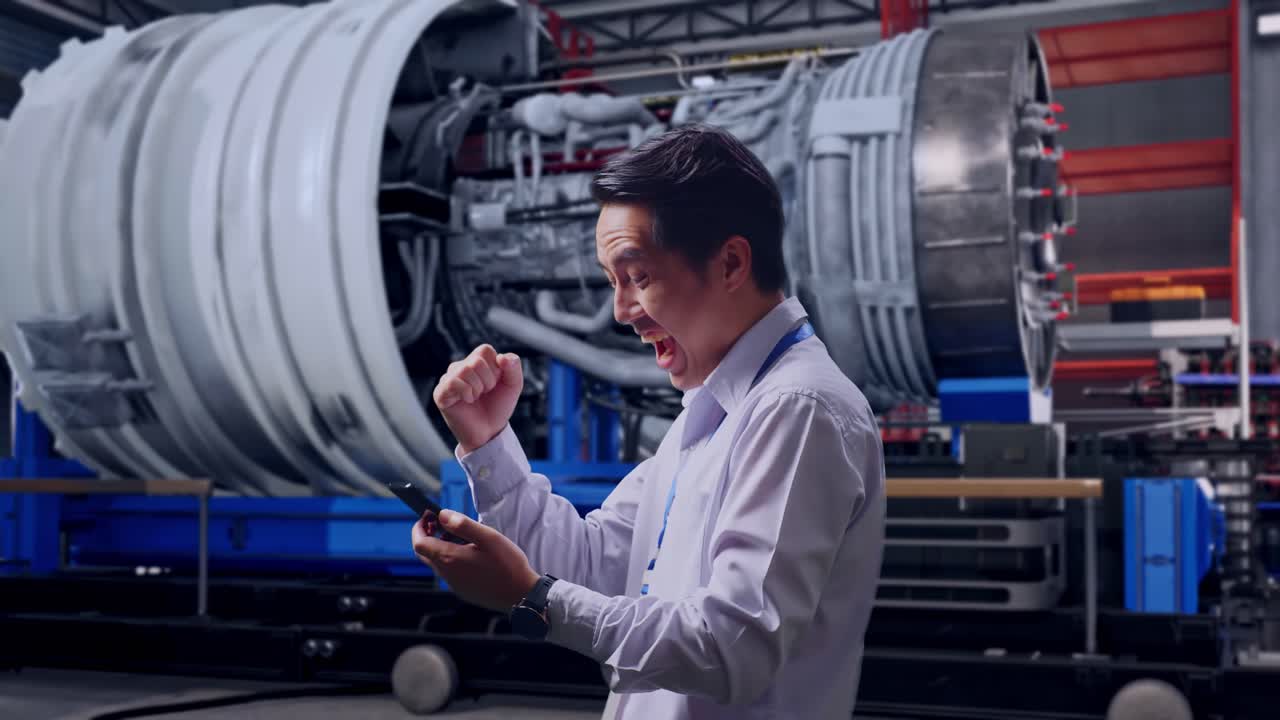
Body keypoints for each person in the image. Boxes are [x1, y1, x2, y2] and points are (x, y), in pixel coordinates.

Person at [412, 124, 886, 719]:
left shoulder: (797, 409)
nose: (620, 312)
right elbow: (594, 562)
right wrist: (487, 443)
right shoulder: (713, 416)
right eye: (614, 282)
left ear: (731, 262)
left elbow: (730, 647)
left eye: (637, 277)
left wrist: (532, 598)